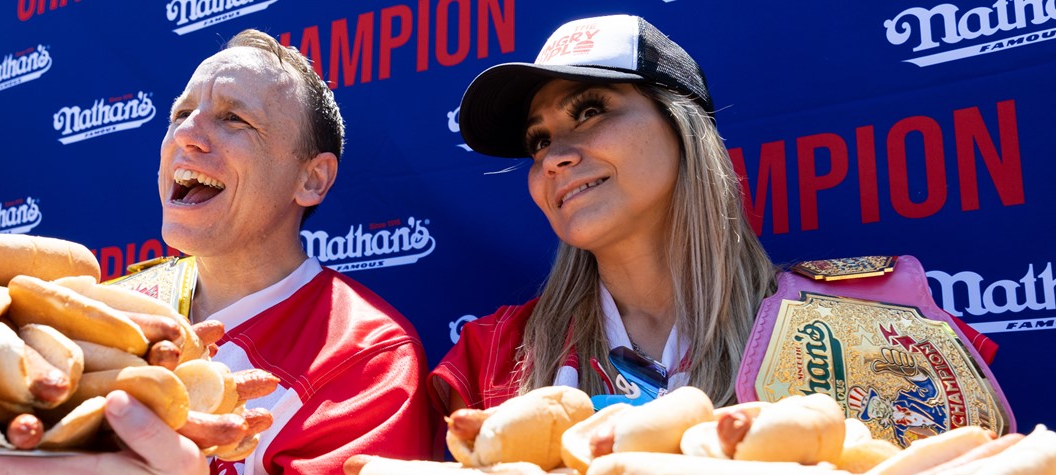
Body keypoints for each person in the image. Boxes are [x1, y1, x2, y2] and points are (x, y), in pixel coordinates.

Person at [0, 29, 434, 475]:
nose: (187, 135)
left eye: (235, 119)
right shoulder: (113, 303)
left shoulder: (363, 352)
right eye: (180, 114)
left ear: (312, 180)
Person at [431, 14, 1012, 442]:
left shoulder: (874, 327)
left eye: (590, 110)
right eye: (539, 141)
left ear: (684, 129)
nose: (555, 155)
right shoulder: (490, 357)